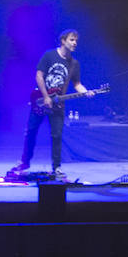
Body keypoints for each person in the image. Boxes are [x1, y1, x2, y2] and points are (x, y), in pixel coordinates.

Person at [12, 28, 89, 180]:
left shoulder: (74, 64)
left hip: (57, 104)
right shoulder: (49, 55)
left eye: (76, 41)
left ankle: (57, 168)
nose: (75, 43)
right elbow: (39, 75)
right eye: (72, 40)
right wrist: (46, 96)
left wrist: (86, 92)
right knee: (31, 132)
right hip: (40, 101)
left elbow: (77, 84)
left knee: (57, 135)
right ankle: (24, 163)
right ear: (63, 41)